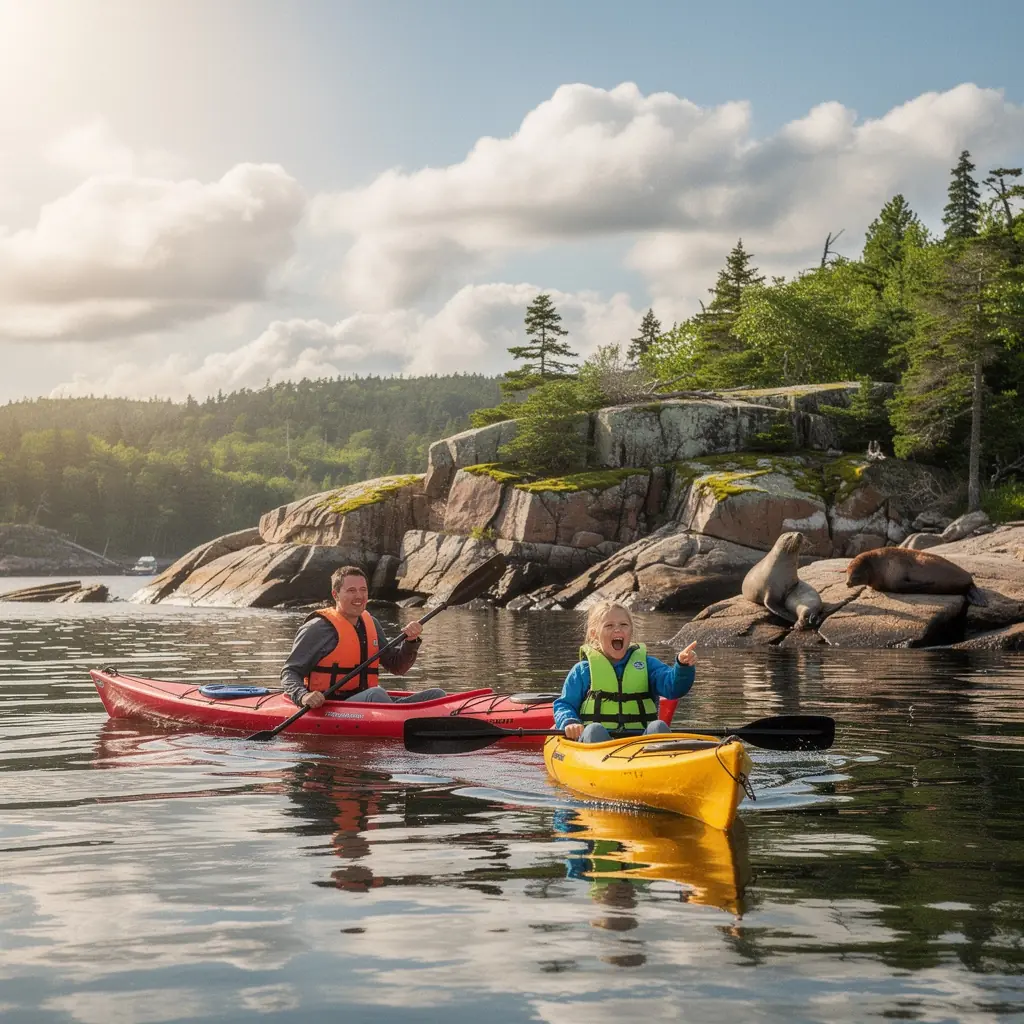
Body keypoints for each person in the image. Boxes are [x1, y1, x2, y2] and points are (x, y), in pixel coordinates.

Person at [281, 565, 446, 709]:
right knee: (376, 693)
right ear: (335, 594)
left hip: (366, 704)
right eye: (351, 591)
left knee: (436, 695)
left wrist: (411, 641)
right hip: (331, 705)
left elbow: (397, 666)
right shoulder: (317, 628)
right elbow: (290, 672)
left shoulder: (371, 624)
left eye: (363, 590)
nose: (359, 596)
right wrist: (303, 696)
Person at [553, 599, 697, 743]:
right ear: (594, 634)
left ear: (631, 631)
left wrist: (682, 666)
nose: (617, 629)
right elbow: (564, 704)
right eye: (609, 625)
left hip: (640, 745)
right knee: (593, 730)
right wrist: (569, 721)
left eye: (623, 625)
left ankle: (662, 760)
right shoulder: (582, 671)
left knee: (658, 726)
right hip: (597, 747)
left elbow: (674, 688)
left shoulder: (648, 665)